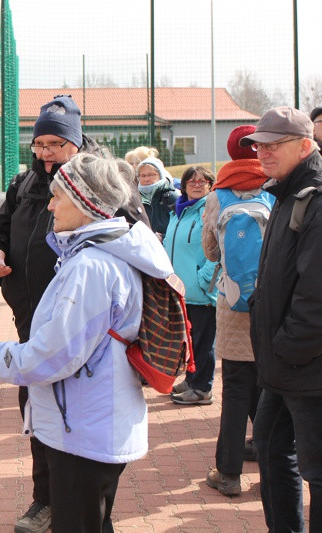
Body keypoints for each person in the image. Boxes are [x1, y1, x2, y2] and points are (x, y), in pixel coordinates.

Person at [0, 152, 168, 533]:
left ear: (85, 202)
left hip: (85, 426)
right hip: (92, 418)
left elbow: (49, 357)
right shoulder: (102, 251)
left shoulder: (92, 266)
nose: (50, 205)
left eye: (59, 196)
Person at [0, 95, 149, 533]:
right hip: (31, 314)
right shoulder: (23, 185)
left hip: (86, 328)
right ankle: (46, 496)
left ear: (75, 144)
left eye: (55, 144)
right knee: (37, 406)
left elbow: (137, 243)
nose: (44, 153)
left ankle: (62, 499)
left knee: (64, 412)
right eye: (39, 144)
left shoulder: (103, 186)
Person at [242, 106, 322, 532]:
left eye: (274, 145)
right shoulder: (287, 191)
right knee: (272, 452)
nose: (263, 152)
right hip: (283, 364)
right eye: (259, 144)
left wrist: (286, 348)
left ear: (305, 146)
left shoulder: (316, 197)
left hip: (305, 366)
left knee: (317, 472)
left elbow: (316, 298)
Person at [201, 125, 269, 496]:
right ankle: (270, 463)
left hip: (232, 304)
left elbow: (212, 252)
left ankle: (227, 473)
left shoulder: (219, 195)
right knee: (269, 387)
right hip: (272, 305)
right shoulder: (274, 188)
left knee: (237, 391)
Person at [165, 166, 218, 406]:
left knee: (203, 342)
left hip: (201, 292)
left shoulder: (210, 211)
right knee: (190, 341)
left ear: (209, 184)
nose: (197, 185)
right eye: (192, 181)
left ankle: (202, 389)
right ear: (183, 185)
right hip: (180, 290)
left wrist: (204, 279)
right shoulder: (178, 213)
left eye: (202, 181)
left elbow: (216, 251)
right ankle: (191, 379)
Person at [135, 157, 179, 236]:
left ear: (160, 175)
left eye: (151, 175)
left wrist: (163, 236)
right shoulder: (135, 197)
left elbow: (181, 228)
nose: (146, 179)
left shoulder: (171, 197)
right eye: (143, 175)